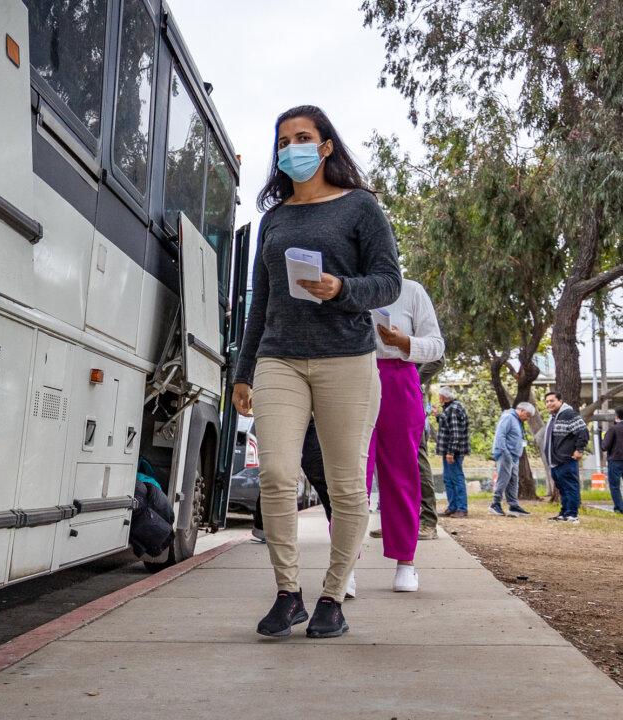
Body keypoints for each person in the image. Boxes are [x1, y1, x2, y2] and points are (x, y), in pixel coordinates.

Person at [232, 105, 401, 639]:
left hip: (346, 359)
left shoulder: (360, 207)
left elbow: (388, 282)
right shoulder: (274, 219)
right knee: (277, 475)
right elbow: (260, 303)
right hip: (278, 357)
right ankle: (288, 594)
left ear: (325, 147)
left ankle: (333, 596)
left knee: (346, 484)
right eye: (283, 142)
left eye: (302, 138)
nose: (291, 149)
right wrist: (242, 371)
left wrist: (341, 288)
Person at [363, 279, 444, 593]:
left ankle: (405, 563)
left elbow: (436, 345)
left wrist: (405, 342)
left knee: (402, 473)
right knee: (352, 475)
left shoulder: (411, 291)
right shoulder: (343, 283)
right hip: (353, 375)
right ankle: (345, 567)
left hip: (399, 376)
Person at [252, 419, 331, 541]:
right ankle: (263, 526)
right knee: (277, 472)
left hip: (313, 418)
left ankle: (339, 524)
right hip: (284, 417)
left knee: (317, 470)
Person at [543, 391, 589, 523]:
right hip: (555, 461)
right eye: (547, 401)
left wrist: (579, 450)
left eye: (552, 401)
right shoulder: (554, 417)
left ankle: (572, 515)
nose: (549, 404)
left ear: (560, 401)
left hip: (566, 460)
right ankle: (564, 513)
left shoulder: (569, 414)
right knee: (563, 489)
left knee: (570, 487)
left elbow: (583, 432)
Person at [489, 403, 536, 516]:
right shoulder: (508, 417)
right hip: (505, 454)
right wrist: (506, 454)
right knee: (503, 479)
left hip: (514, 456)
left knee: (513, 481)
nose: (528, 418)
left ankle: (513, 506)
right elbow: (500, 436)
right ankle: (495, 504)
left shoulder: (517, 420)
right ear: (521, 410)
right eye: (527, 415)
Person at [416, 359, 445, 539]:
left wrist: (411, 380)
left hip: (409, 398)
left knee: (418, 461)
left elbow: (438, 359)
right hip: (385, 398)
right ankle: (398, 521)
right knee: (391, 464)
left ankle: (428, 521)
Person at [436, 386, 470, 518]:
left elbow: (456, 433)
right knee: (448, 479)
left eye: (439, 396)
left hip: (453, 451)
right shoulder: (449, 408)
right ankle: (452, 507)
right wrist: (438, 416)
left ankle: (462, 508)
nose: (439, 398)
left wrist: (451, 452)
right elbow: (447, 423)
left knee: (456, 478)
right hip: (447, 450)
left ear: (443, 397)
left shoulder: (454, 408)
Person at [601, 408, 623, 514]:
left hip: (615, 461)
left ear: (617, 416)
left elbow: (604, 446)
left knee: (615, 486)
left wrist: (603, 438)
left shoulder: (613, 429)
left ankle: (619, 508)